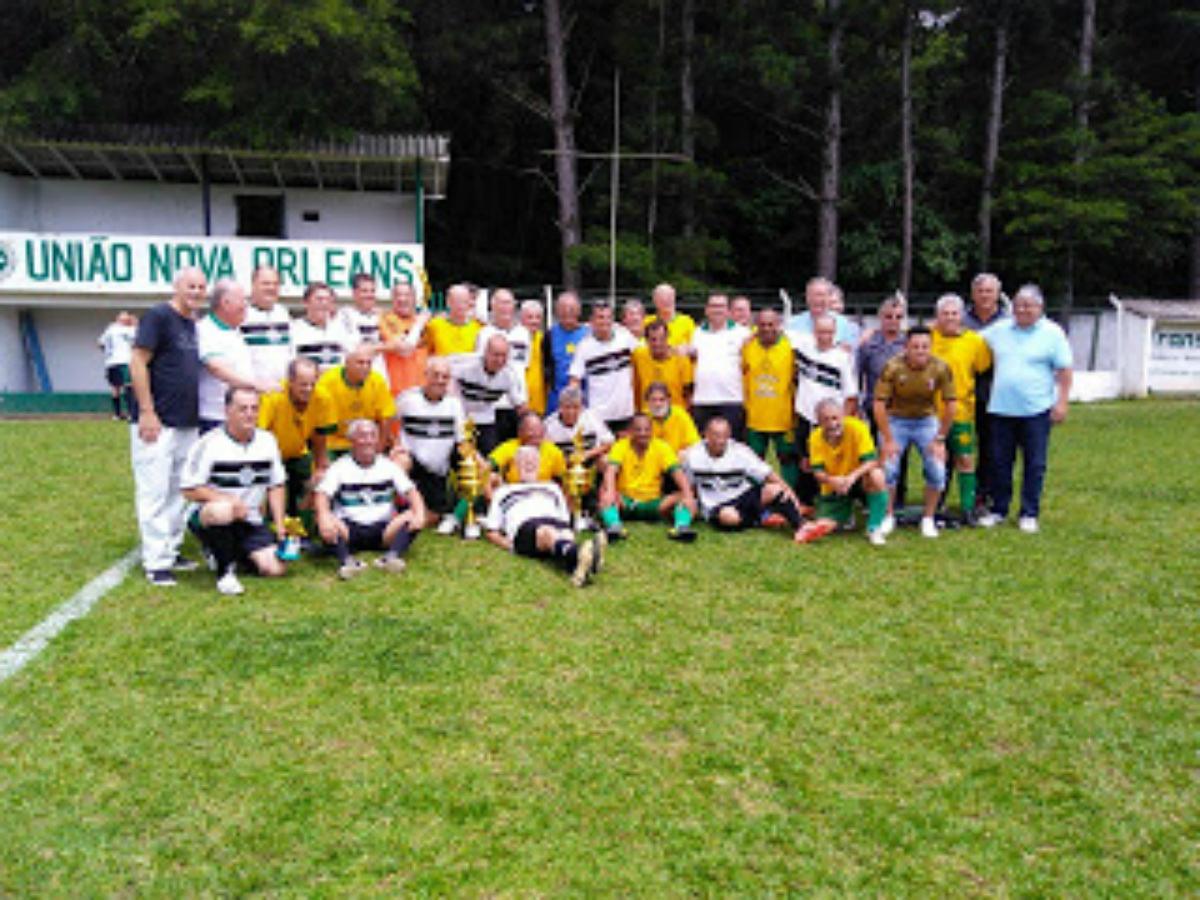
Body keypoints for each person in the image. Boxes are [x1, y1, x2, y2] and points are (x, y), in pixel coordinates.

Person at [128, 266, 206, 586]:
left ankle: (171, 550)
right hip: (158, 422)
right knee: (155, 491)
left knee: (179, 490)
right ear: (177, 287)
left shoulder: (194, 324)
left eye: (202, 287)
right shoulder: (159, 316)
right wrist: (147, 411)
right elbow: (137, 361)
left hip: (187, 421)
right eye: (191, 286)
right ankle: (155, 562)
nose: (197, 292)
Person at [979, 284, 1073, 533]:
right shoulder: (999, 330)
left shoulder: (1053, 333)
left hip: (1037, 410)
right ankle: (999, 509)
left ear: (1040, 308)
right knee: (1000, 462)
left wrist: (1062, 402)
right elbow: (969, 340)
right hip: (1001, 409)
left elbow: (1064, 370)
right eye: (1019, 305)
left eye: (1029, 305)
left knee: (1035, 463)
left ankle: (1029, 513)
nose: (1023, 310)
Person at [181, 385, 288, 596]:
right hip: (212, 513)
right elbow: (189, 488)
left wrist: (279, 523)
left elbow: (276, 484)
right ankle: (225, 573)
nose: (250, 414)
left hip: (251, 518)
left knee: (275, 569)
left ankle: (225, 550)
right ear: (227, 411)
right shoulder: (209, 443)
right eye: (242, 409)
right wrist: (228, 499)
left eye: (254, 408)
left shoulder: (267, 440)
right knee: (223, 511)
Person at [873, 326, 957, 538]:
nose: (920, 351)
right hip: (896, 419)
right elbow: (879, 404)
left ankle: (928, 518)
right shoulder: (892, 367)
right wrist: (888, 439)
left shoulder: (941, 368)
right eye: (915, 347)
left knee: (937, 469)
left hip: (926, 420)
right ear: (906, 348)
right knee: (888, 468)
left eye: (925, 346)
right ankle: (888, 515)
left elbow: (951, 405)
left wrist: (940, 439)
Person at [314, 418, 425, 579]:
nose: (368, 441)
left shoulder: (388, 465)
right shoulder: (339, 467)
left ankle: (391, 557)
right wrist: (323, 517)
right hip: (349, 529)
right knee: (325, 518)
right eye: (362, 436)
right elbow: (322, 495)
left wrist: (420, 513)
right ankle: (347, 562)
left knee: (413, 515)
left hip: (384, 529)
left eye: (372, 436)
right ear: (352, 441)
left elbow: (412, 492)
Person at [484, 446, 603, 588]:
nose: (529, 464)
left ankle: (579, 563)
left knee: (564, 533)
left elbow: (564, 519)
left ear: (539, 465)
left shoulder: (552, 487)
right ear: (516, 465)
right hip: (525, 526)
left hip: (555, 521)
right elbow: (492, 532)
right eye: (524, 461)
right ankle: (583, 556)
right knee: (547, 532)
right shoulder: (504, 491)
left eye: (533, 461)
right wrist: (511, 546)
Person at [682, 417, 808, 540]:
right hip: (717, 505)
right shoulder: (693, 455)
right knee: (729, 517)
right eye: (716, 435)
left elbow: (769, 474)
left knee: (775, 489)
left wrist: (791, 496)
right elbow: (689, 485)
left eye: (724, 435)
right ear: (705, 435)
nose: (720, 440)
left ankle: (801, 526)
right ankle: (760, 518)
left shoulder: (740, 451)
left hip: (743, 495)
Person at [931, 293, 992, 524]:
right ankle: (936, 505)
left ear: (961, 316)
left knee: (965, 459)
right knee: (937, 461)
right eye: (945, 313)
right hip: (931, 414)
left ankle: (968, 508)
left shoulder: (974, 341)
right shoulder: (927, 337)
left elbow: (983, 367)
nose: (949, 318)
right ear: (937, 316)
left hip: (961, 412)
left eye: (954, 313)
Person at [257, 357, 336, 536]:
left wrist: (321, 464)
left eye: (312, 384)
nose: (308, 389)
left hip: (298, 452)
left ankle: (305, 527)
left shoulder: (322, 396)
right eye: (302, 384)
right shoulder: (273, 397)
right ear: (290, 381)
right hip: (271, 457)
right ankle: (273, 526)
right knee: (276, 493)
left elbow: (320, 434)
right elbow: (258, 437)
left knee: (319, 481)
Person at [790, 312, 858, 505]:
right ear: (814, 331)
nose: (824, 336)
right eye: (821, 331)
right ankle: (804, 505)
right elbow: (776, 331)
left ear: (835, 333)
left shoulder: (842, 358)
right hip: (806, 416)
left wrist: (842, 423)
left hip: (830, 421)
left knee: (830, 464)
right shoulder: (802, 346)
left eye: (829, 332)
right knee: (804, 463)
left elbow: (851, 395)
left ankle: (834, 502)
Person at [599, 413, 699, 542]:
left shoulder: (662, 447)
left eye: (647, 429)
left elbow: (677, 472)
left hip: (654, 503)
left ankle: (681, 527)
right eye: (638, 429)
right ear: (630, 431)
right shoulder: (620, 446)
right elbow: (611, 471)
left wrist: (688, 495)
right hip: (626, 501)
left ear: (652, 431)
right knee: (604, 493)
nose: (643, 433)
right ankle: (614, 526)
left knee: (685, 495)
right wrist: (610, 492)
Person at [395, 356, 467, 533]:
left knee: (432, 517)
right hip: (414, 463)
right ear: (425, 375)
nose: (440, 380)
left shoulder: (454, 405)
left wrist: (479, 463)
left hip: (438, 469)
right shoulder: (407, 398)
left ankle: (454, 516)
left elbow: (462, 441)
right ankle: (394, 509)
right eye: (435, 375)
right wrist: (395, 445)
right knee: (399, 461)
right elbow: (387, 420)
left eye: (445, 376)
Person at [807, 397, 891, 546]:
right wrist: (833, 481)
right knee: (824, 526)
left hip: (859, 479)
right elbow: (818, 473)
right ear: (819, 422)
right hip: (834, 485)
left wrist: (851, 477)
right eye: (826, 420)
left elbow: (872, 461)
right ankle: (845, 515)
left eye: (835, 418)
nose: (832, 424)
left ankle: (874, 527)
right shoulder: (815, 438)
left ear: (843, 416)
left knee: (877, 475)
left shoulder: (857, 427)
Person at [197, 279, 270, 432]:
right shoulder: (206, 329)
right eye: (242, 300)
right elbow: (217, 368)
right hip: (215, 417)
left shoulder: (234, 331)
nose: (246, 306)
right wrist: (255, 384)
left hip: (240, 416)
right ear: (225, 303)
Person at [965, 272, 1011, 514]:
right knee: (958, 446)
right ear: (973, 294)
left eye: (990, 291)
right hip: (962, 394)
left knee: (990, 447)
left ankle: (984, 494)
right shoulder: (960, 320)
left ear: (997, 294)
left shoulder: (1009, 322)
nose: (985, 296)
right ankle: (957, 492)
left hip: (993, 394)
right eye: (981, 291)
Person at [856, 294, 909, 499]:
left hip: (902, 408)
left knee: (899, 454)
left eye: (898, 316)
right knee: (873, 453)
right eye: (888, 316)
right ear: (880, 317)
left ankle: (898, 497)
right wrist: (859, 406)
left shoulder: (908, 343)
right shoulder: (868, 344)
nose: (893, 321)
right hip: (874, 406)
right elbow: (858, 374)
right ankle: (871, 493)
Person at [742, 308, 800, 490]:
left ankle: (790, 497)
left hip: (783, 416)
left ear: (779, 325)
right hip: (755, 416)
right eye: (762, 325)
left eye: (771, 324)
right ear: (756, 326)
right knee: (754, 462)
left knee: (788, 459)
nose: (766, 328)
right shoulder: (747, 345)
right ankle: (755, 499)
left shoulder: (791, 345)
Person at [544, 385, 615, 527]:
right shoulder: (549, 425)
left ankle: (605, 498)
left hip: (589, 463)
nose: (571, 412)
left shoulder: (592, 418)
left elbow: (609, 443)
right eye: (567, 407)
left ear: (581, 407)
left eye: (575, 407)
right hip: (564, 468)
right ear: (560, 407)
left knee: (606, 461)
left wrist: (588, 454)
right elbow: (546, 453)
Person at [568, 300, 638, 434]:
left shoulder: (624, 336)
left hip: (626, 413)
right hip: (599, 416)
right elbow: (574, 380)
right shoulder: (584, 347)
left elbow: (643, 355)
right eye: (600, 317)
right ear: (591, 321)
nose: (605, 322)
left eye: (608, 317)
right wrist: (575, 407)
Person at [688, 292, 750, 438]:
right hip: (703, 399)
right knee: (705, 447)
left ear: (728, 311)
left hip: (732, 399)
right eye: (713, 306)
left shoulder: (742, 333)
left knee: (732, 447)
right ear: (706, 310)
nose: (717, 310)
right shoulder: (697, 333)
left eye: (721, 306)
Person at [316, 346, 398, 457]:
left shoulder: (377, 380)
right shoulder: (328, 382)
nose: (365, 367)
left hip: (368, 442)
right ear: (347, 363)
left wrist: (379, 449)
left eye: (368, 363)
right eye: (360, 363)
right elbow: (320, 425)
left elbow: (386, 417)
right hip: (336, 443)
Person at [454, 333, 528, 455]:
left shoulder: (509, 375)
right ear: (486, 352)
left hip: (485, 418)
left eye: (504, 356)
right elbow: (443, 369)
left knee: (489, 454)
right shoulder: (465, 364)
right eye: (496, 355)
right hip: (460, 417)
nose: (500, 360)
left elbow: (519, 405)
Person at [478, 288, 534, 442]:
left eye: (508, 303)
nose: (505, 307)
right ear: (492, 306)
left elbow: (524, 366)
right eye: (501, 303)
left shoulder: (524, 333)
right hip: (493, 403)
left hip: (518, 404)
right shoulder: (484, 334)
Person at [242, 265, 291, 390]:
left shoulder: (283, 314)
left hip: (282, 393)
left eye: (275, 284)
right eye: (266, 283)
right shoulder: (242, 314)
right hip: (253, 393)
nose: (271, 288)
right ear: (253, 285)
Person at [378, 280, 430, 397]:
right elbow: (404, 350)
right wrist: (419, 324)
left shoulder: (427, 323)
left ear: (415, 299)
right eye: (398, 295)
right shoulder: (385, 319)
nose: (402, 299)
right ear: (392, 299)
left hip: (423, 392)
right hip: (397, 392)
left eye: (407, 295)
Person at [488, 412, 567, 487]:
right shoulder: (508, 448)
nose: (536, 433)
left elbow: (563, 480)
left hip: (544, 495)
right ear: (520, 432)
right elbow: (488, 466)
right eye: (531, 429)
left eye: (539, 429)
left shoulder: (553, 451)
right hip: (514, 494)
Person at [291, 281, 353, 373]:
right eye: (319, 299)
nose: (324, 303)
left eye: (328, 300)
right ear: (306, 302)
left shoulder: (341, 329)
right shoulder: (294, 329)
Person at [544, 290, 590, 413]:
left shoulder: (588, 334)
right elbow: (546, 366)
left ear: (579, 311)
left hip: (584, 400)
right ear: (557, 311)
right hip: (557, 399)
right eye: (563, 308)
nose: (567, 311)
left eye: (572, 308)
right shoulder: (550, 335)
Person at [632, 319, 693, 411]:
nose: (657, 343)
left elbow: (689, 393)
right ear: (646, 341)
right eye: (653, 339)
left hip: (674, 415)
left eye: (662, 338)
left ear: (668, 338)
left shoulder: (681, 360)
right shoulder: (638, 357)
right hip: (647, 416)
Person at [338, 272, 387, 379]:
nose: (369, 295)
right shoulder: (344, 316)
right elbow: (356, 349)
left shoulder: (382, 316)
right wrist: (387, 347)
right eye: (364, 291)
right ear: (354, 293)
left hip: (379, 377)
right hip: (355, 378)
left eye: (372, 291)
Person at [424, 283, 483, 369]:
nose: (461, 306)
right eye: (457, 301)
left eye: (464, 301)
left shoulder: (478, 327)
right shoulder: (434, 325)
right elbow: (426, 354)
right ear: (448, 302)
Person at [785, 277, 855, 345]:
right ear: (807, 298)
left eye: (825, 295)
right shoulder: (793, 324)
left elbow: (850, 352)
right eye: (817, 295)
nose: (821, 300)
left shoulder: (842, 323)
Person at [97, 310, 137, 420]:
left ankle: (117, 414)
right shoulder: (130, 330)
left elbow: (100, 344)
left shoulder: (110, 329)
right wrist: (135, 325)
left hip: (111, 362)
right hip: (125, 361)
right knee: (129, 386)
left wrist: (109, 352)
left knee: (115, 388)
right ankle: (130, 413)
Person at [645, 381, 701, 454]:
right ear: (647, 401)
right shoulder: (643, 418)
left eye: (661, 400)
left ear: (669, 400)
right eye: (653, 400)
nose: (657, 404)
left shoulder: (681, 415)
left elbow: (695, 444)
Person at [520, 300, 548, 414]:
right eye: (530, 317)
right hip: (519, 404)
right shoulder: (514, 339)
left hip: (540, 403)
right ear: (521, 319)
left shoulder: (545, 340)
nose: (534, 321)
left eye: (537, 317)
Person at [646, 282, 696, 347]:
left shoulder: (687, 322)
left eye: (670, 296)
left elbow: (696, 349)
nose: (666, 300)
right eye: (662, 297)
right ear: (654, 301)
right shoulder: (647, 322)